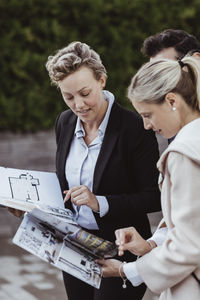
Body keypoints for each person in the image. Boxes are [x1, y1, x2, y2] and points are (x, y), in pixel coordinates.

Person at [45, 41, 161, 300]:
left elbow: (155, 195)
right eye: (68, 96)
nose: (78, 105)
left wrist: (100, 203)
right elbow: (63, 188)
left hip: (121, 251)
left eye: (85, 93)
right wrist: (30, 207)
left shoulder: (134, 127)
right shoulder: (64, 123)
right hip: (74, 246)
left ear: (102, 80)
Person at [97, 55, 200, 299]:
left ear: (172, 100)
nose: (146, 125)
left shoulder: (184, 153)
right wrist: (152, 244)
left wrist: (127, 270)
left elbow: (189, 244)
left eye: (148, 114)